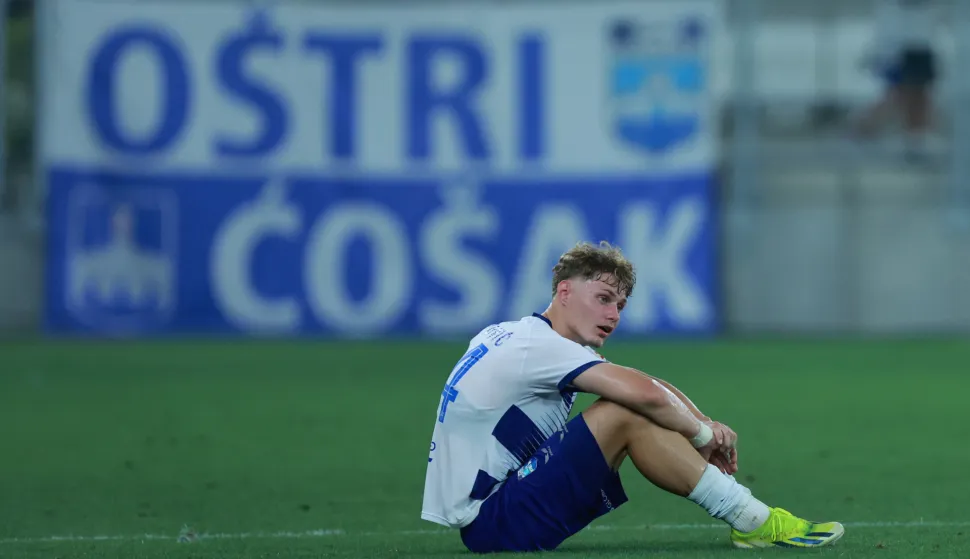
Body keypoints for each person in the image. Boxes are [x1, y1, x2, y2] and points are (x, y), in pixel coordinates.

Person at [420, 241, 844, 553]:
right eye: (603, 299)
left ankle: (750, 519)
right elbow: (643, 396)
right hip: (495, 523)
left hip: (500, 506)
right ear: (564, 292)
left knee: (630, 401)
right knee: (627, 412)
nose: (613, 315)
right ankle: (752, 519)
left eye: (620, 305)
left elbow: (644, 382)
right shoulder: (539, 347)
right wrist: (699, 435)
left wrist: (706, 424)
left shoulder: (515, 335)